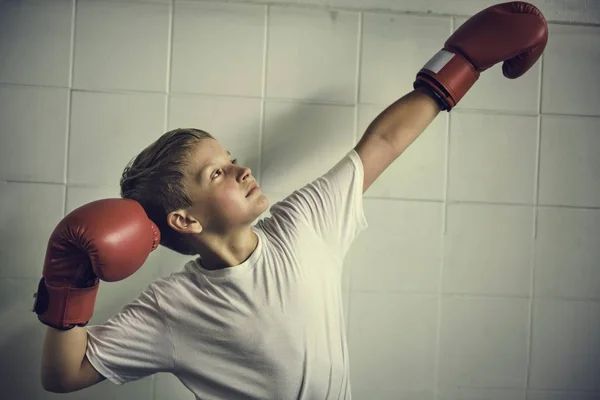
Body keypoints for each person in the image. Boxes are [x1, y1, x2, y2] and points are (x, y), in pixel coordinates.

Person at [35, 2, 547, 398]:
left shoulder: (302, 223)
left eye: (230, 157)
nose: (242, 169)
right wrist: (69, 280)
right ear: (185, 218)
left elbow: (382, 144)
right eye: (219, 172)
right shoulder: (173, 307)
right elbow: (64, 375)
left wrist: (462, 62)